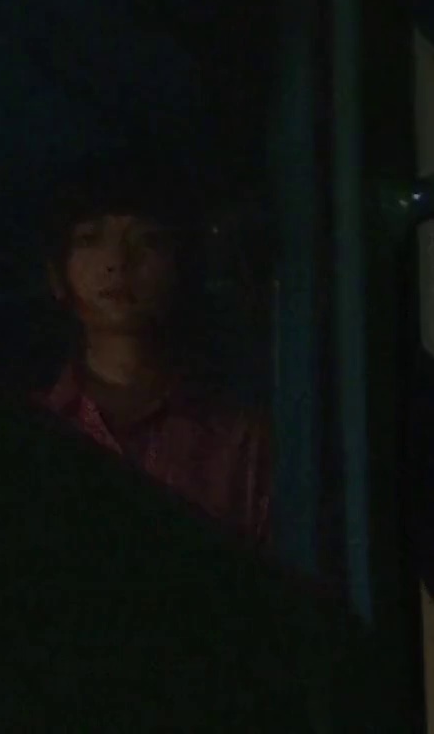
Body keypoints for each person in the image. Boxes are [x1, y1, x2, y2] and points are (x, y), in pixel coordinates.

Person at [32, 156, 272, 551]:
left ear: (180, 268)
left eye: (147, 240)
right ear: (58, 276)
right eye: (90, 240)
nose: (117, 262)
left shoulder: (240, 441)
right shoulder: (33, 430)